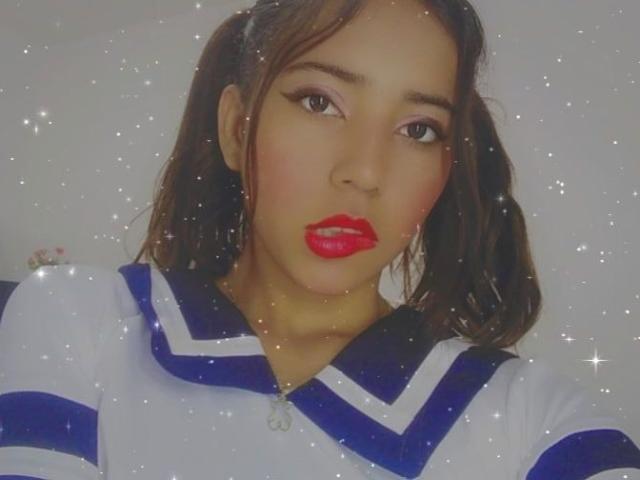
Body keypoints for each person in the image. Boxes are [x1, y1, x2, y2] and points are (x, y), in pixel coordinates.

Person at [1, 0, 639, 478]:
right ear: (236, 129)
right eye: (319, 102)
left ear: (444, 171)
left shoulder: (531, 415)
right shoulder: (79, 319)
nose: (364, 171)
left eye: (418, 129)